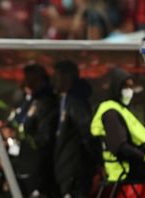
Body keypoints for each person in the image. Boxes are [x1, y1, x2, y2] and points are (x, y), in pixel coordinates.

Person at [91, 67, 145, 194]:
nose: (129, 91)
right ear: (116, 87)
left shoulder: (119, 109)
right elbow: (120, 148)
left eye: (131, 87)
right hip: (127, 167)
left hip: (136, 162)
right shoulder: (111, 113)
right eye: (125, 87)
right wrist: (143, 157)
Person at [52, 60, 98, 197]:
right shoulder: (62, 101)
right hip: (64, 168)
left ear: (67, 78)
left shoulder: (76, 103)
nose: (53, 80)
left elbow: (88, 132)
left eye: (56, 76)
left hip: (74, 168)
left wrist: (95, 160)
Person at [15, 63, 58, 197]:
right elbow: (19, 119)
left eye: (31, 79)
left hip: (39, 161)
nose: (27, 83)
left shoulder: (46, 101)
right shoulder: (29, 99)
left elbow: (43, 135)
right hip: (25, 157)